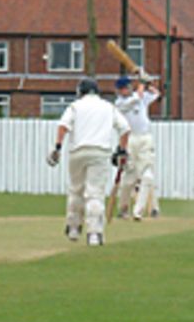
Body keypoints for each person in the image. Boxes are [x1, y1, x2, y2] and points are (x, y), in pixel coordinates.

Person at [46, 78, 131, 247]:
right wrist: (121, 150)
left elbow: (63, 126)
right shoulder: (108, 107)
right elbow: (125, 129)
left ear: (80, 92)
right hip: (100, 152)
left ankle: (73, 228)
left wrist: (57, 147)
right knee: (95, 193)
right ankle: (94, 234)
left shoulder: (76, 106)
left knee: (76, 190)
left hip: (78, 151)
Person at [113, 75, 161, 220]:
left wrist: (148, 84)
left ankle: (140, 211)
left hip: (145, 138)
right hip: (129, 139)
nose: (124, 91)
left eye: (125, 88)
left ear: (129, 87)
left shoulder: (138, 96)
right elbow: (137, 98)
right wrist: (141, 83)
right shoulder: (120, 103)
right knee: (129, 178)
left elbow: (156, 94)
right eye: (121, 89)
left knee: (147, 176)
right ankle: (123, 208)